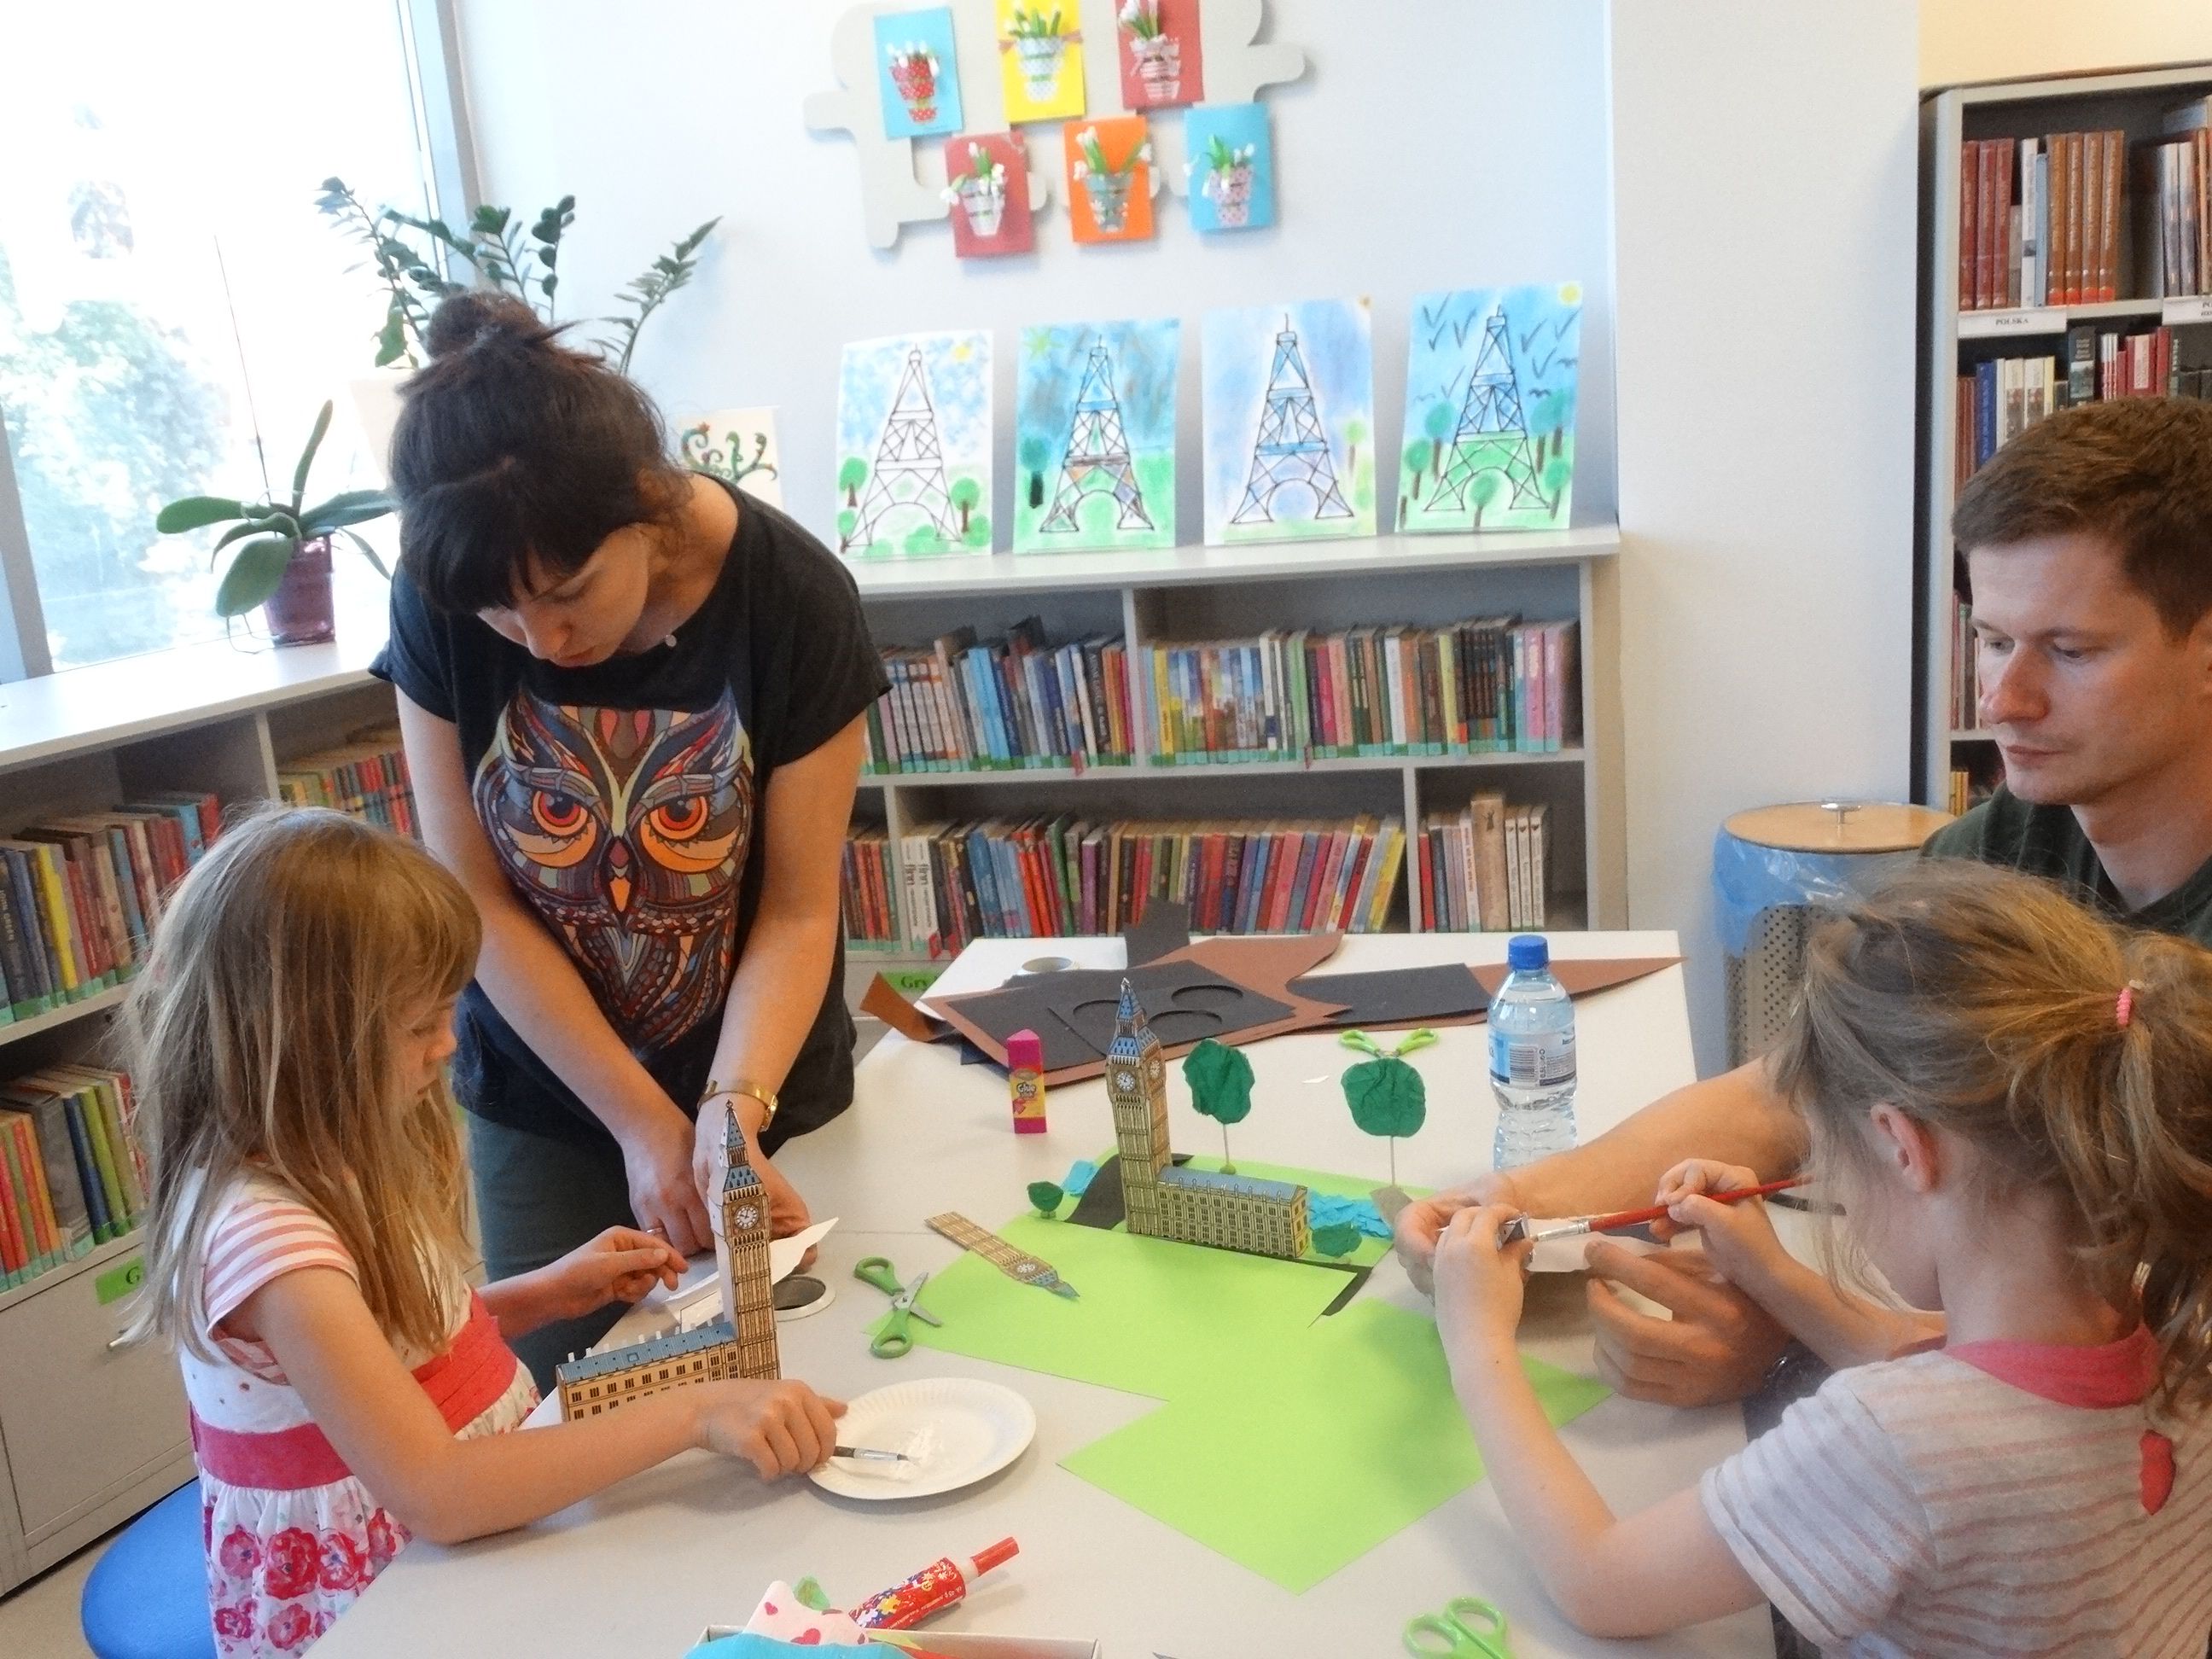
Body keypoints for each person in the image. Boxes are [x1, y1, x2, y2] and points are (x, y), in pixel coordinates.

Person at [1399, 395, 2212, 1406]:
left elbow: (2155, 1362)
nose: (2004, 700)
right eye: (1994, 641)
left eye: (2072, 651)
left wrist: (1810, 1333)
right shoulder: (2003, 848)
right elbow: (1795, 1087)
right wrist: (1514, 1201)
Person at [1433, 863, 2212, 1650]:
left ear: (1902, 1147)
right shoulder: (2179, 1329)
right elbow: (1937, 1367)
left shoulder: (1893, 1447)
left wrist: (1476, 1340)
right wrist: (1770, 1273)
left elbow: (1601, 1581)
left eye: (1827, 1158)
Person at [125, 811, 847, 1656]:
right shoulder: (272, 1246)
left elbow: (381, 1356)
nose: (447, 1043)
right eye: (417, 1025)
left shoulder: (318, 1157)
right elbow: (439, 1493)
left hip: (459, 1547)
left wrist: (539, 1295)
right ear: (305, 1035)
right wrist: (697, 1413)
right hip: (390, 1606)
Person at [373, 292, 889, 1386]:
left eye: (568, 593)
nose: (541, 640)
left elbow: (799, 910)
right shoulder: (442, 597)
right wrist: (643, 1125)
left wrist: (724, 1115)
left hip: (763, 1083)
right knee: (562, 1401)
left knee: (802, 1383)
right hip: (547, 1095)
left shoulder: (794, 598)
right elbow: (477, 902)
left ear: (647, 507)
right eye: (502, 617)